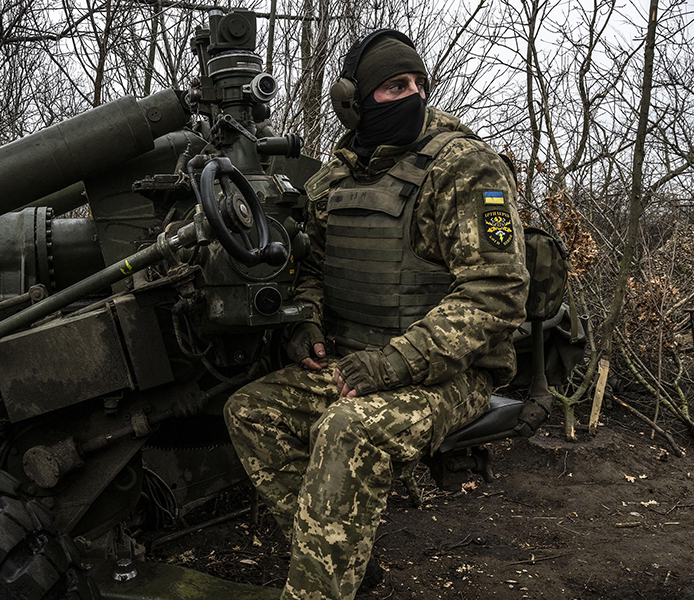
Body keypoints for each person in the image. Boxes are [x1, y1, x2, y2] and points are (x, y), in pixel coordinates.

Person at [224, 29, 530, 600]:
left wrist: (395, 362)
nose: (412, 95)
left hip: (452, 374)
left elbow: (497, 292)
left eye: (418, 83)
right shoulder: (331, 181)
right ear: (353, 102)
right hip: (356, 363)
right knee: (250, 412)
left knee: (347, 428)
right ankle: (341, 563)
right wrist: (306, 323)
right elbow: (312, 268)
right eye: (394, 86)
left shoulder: (467, 169)